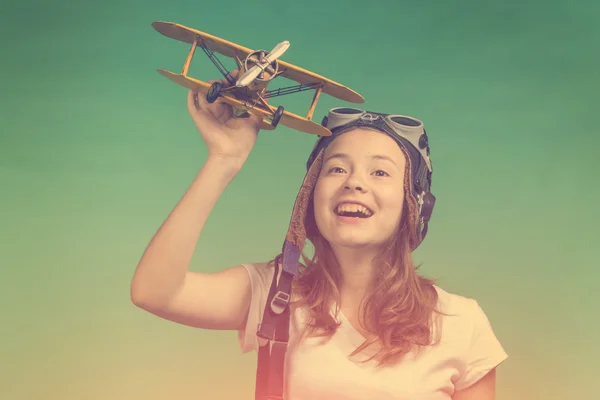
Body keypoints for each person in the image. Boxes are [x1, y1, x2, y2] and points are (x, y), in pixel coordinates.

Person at [130, 70, 508, 400]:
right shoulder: (272, 296)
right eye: (337, 169)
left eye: (380, 173)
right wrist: (224, 160)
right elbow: (154, 292)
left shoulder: (461, 322)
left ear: (415, 204)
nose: (354, 183)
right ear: (310, 195)